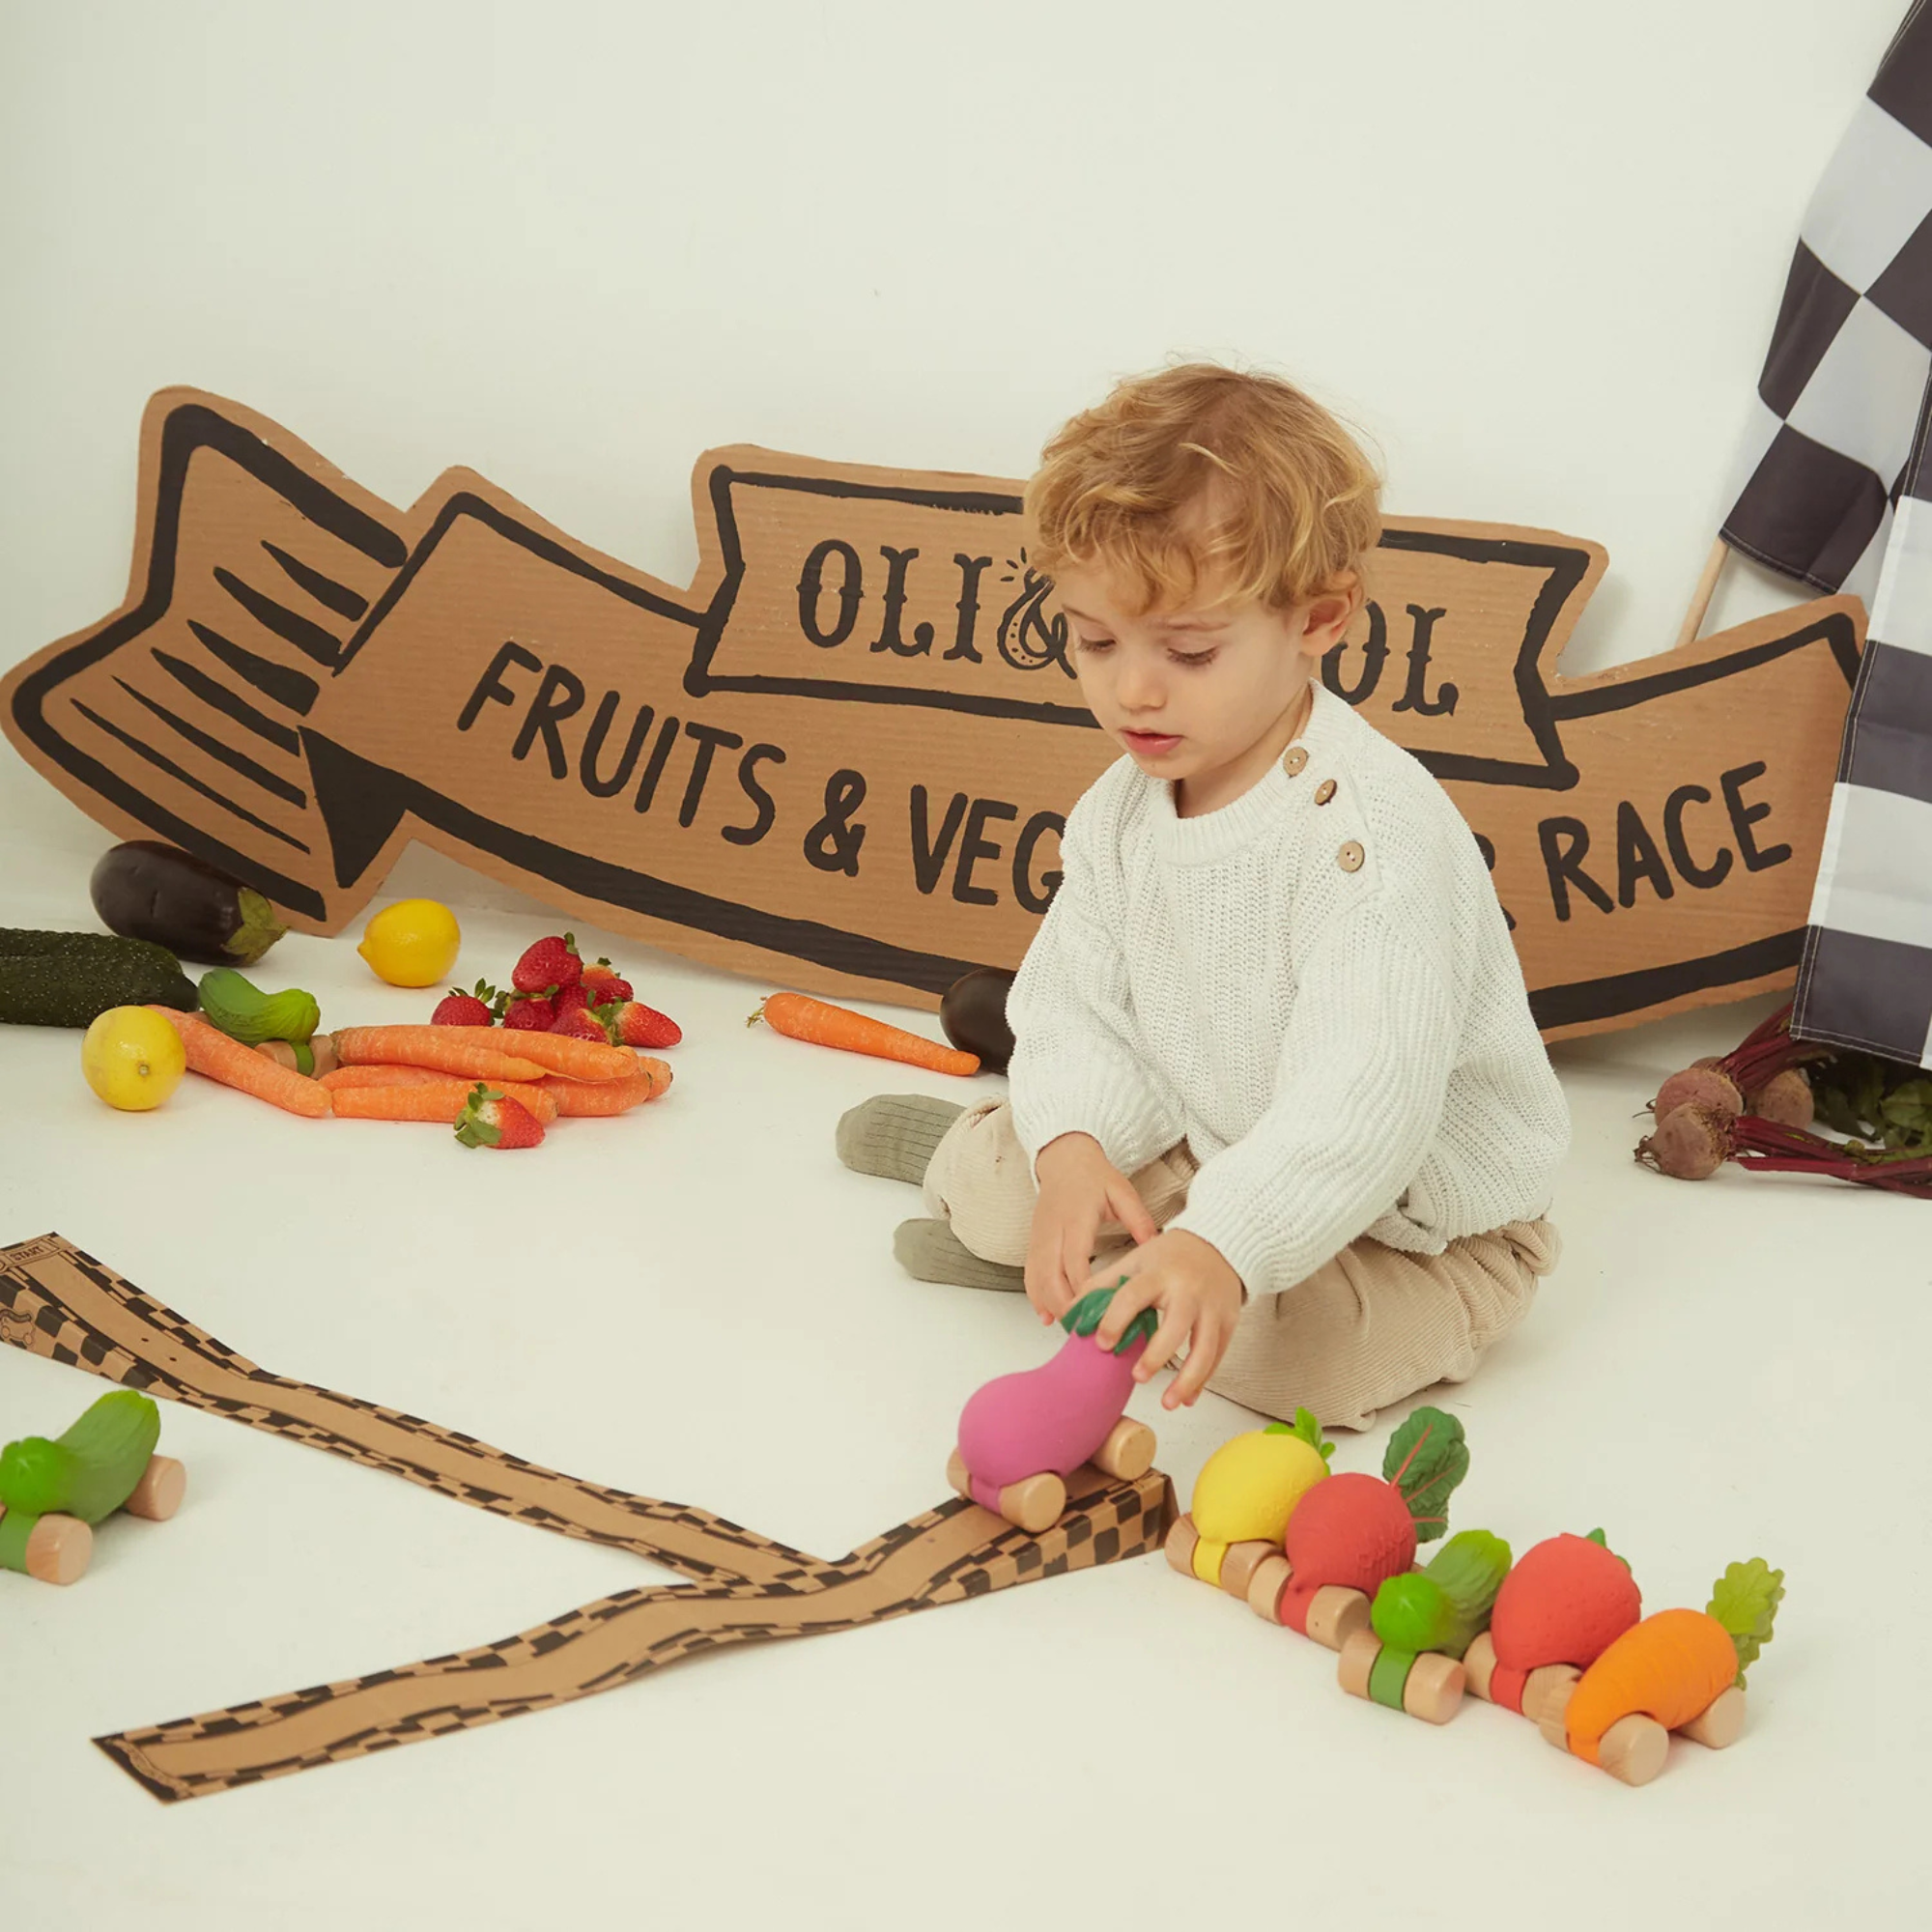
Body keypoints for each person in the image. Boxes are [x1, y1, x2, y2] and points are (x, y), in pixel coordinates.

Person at [837, 362, 1568, 1431]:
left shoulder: (1367, 845)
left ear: (1318, 620)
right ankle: (987, 1182)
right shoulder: (1123, 807)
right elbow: (1075, 1001)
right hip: (1209, 1130)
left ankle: (1124, 1279)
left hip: (1413, 1219)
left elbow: (1362, 1103)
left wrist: (1221, 1243)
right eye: (1094, 640)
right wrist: (1072, 1143)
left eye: (1188, 650)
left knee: (1296, 1361)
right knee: (1028, 1169)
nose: (1131, 688)